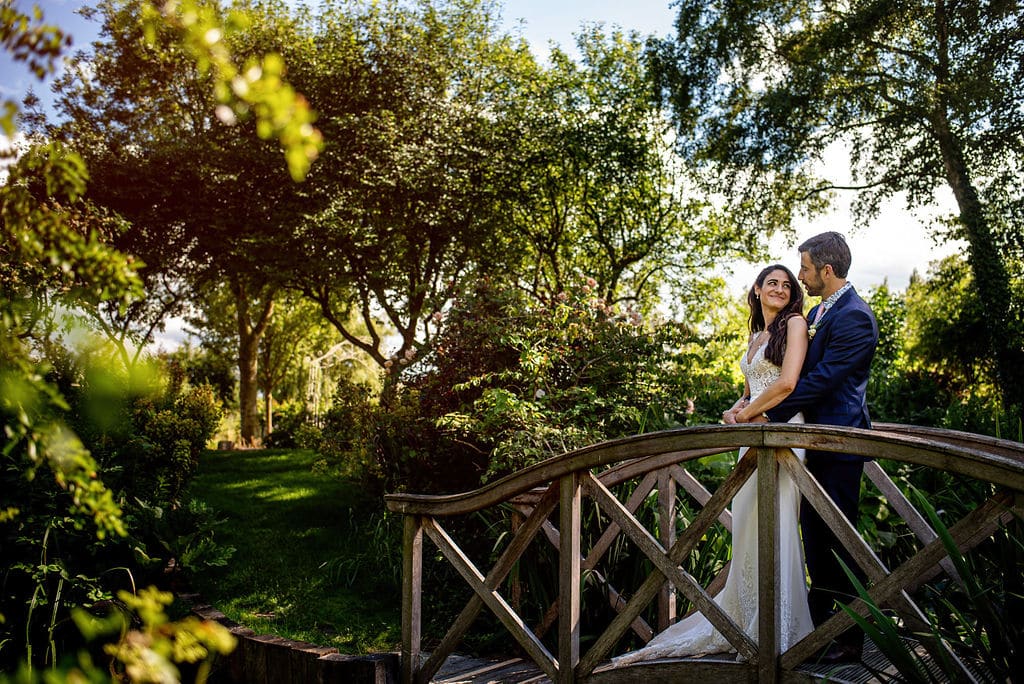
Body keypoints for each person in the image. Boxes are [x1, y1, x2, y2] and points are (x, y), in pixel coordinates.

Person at [613, 264, 813, 664]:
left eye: (787, 285)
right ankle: (745, 618)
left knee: (777, 523)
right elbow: (751, 388)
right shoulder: (757, 335)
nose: (779, 289)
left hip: (781, 433)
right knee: (748, 525)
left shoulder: (795, 325)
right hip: (752, 433)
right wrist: (735, 410)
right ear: (756, 290)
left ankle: (779, 628)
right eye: (771, 283)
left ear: (793, 295)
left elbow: (788, 383)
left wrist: (749, 415)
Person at [759, 231, 879, 663]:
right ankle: (815, 630)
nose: (801, 276)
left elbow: (824, 379)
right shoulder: (818, 311)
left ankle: (849, 641)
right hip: (812, 442)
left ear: (826, 270)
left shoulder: (855, 317)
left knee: (840, 540)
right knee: (815, 540)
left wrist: (768, 412)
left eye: (806, 269)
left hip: (839, 442)